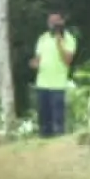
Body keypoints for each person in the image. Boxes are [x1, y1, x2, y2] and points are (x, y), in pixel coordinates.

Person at [31, 9, 76, 138]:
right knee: (44, 117)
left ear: (62, 22)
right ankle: (44, 139)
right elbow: (38, 59)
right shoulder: (43, 38)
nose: (53, 25)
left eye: (56, 22)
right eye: (50, 22)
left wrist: (59, 43)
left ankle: (58, 141)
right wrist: (34, 63)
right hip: (42, 83)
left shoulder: (69, 39)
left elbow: (68, 60)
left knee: (57, 118)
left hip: (58, 84)